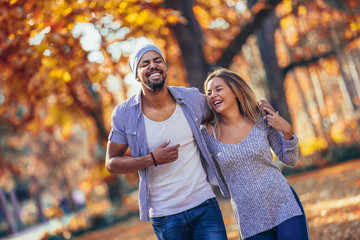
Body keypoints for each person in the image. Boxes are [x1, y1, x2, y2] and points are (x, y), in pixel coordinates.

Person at [105, 43, 271, 240]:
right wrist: (151, 159)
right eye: (145, 63)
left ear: (165, 67)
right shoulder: (125, 114)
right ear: (136, 74)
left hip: (204, 206)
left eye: (158, 60)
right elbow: (111, 163)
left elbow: (225, 107)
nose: (153, 65)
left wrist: (256, 104)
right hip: (165, 215)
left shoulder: (191, 98)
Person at [201, 68, 309, 240]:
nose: (212, 95)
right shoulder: (207, 134)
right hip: (249, 217)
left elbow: (290, 159)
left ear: (235, 91)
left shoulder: (260, 117)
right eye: (209, 92)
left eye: (218, 89)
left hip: (282, 202)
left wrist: (288, 132)